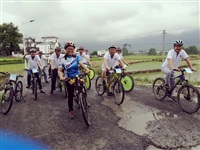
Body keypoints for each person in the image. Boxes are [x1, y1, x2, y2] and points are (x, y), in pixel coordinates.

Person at [58, 41, 89, 119]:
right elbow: (60, 70)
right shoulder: (62, 59)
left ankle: (84, 100)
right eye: (69, 49)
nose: (70, 50)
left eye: (72, 49)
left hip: (77, 75)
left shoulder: (76, 57)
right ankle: (71, 110)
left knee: (83, 87)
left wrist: (86, 69)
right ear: (65, 49)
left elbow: (81, 63)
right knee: (70, 95)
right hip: (69, 78)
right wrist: (61, 76)